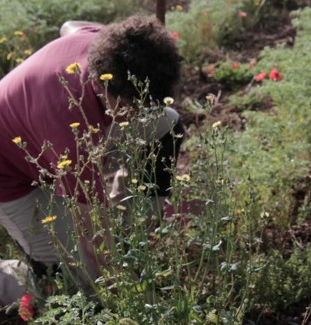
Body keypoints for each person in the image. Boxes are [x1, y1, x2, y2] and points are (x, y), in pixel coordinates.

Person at [0, 15, 183, 307]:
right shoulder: (68, 126)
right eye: (127, 107)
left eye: (143, 103)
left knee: (167, 123)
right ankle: (10, 279)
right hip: (11, 173)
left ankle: (132, 219)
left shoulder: (108, 47)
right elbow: (94, 240)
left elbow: (69, 25)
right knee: (66, 281)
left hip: (52, 130)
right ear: (99, 86)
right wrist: (136, 301)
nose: (136, 115)